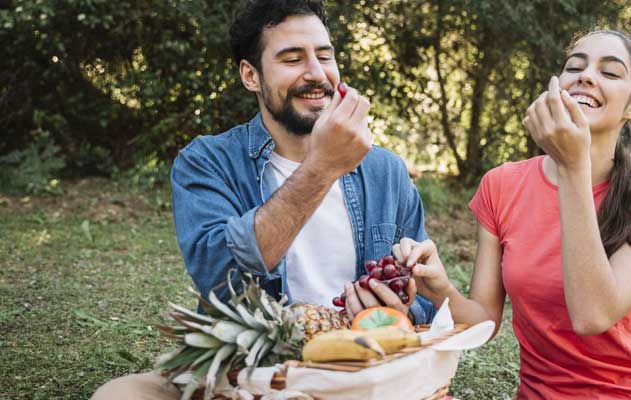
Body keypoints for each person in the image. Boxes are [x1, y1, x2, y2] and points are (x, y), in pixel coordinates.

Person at [92, 1, 433, 398]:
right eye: (292, 59)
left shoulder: (385, 171)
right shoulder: (207, 162)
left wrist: (398, 309)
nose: (316, 73)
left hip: (361, 369)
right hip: (252, 376)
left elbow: (424, 304)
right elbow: (219, 279)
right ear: (251, 75)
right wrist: (321, 167)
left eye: (325, 56)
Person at [395, 30, 631, 399]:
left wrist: (573, 167)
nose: (586, 76)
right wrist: (440, 288)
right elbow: (484, 324)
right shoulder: (501, 184)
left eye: (611, 72)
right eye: (575, 66)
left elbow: (592, 316)